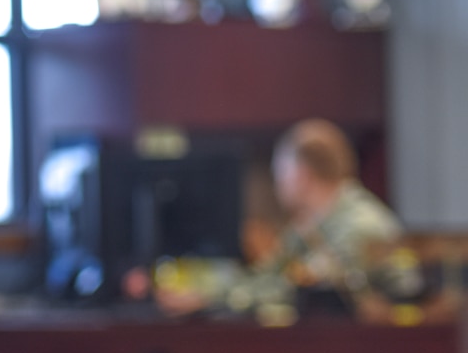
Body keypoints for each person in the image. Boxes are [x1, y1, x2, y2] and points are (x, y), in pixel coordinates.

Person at [155, 118, 412, 315]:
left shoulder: (360, 225)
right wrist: (207, 292)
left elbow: (300, 293)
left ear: (301, 173)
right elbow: (269, 277)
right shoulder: (312, 224)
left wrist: (210, 300)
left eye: (281, 173)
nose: (278, 185)